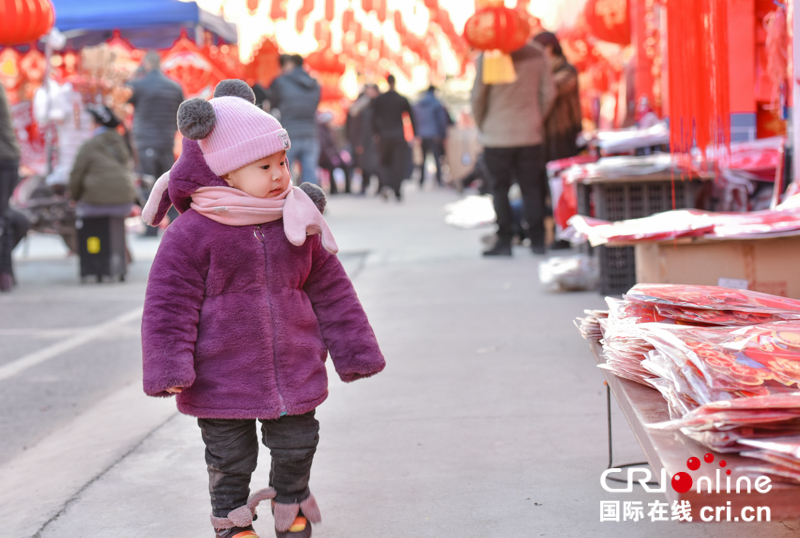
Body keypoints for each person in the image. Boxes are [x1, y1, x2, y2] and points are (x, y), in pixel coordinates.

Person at [139, 80, 385, 538]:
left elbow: (332, 291)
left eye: (282, 163)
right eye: (263, 166)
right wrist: (168, 365)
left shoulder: (296, 220)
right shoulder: (191, 234)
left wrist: (356, 350)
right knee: (230, 457)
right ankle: (232, 518)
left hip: (293, 366)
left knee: (297, 445)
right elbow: (167, 306)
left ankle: (290, 501)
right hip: (220, 375)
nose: (279, 175)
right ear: (225, 173)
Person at [471, 40, 555, 256]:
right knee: (531, 189)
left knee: (499, 189)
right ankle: (537, 241)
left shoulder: (488, 53)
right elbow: (549, 93)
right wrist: (536, 119)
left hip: (496, 135)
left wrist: (484, 125)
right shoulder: (537, 52)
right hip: (529, 134)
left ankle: (505, 240)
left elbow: (478, 97)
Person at [128, 51, 184, 236]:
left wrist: (136, 74)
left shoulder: (139, 85)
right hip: (167, 140)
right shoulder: (174, 86)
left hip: (145, 141)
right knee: (169, 183)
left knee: (147, 185)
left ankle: (150, 227)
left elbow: (123, 94)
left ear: (146, 64)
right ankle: (178, 223)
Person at [69, 105, 137, 218]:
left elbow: (76, 175)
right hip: (125, 204)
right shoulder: (122, 142)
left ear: (97, 124)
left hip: (96, 204)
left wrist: (74, 198)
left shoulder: (90, 145)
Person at [267, 54, 322, 186]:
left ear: (290, 64)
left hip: (288, 132)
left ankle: (288, 204)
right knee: (310, 174)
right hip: (310, 133)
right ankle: (312, 203)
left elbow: (272, 104)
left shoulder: (280, 81)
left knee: (285, 174)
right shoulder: (315, 84)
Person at [533, 31, 582, 164]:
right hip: (545, 136)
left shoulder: (567, 70)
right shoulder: (545, 72)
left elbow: (553, 89)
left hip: (563, 135)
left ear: (548, 49)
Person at [0, 84, 30, 292]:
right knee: (6, 217)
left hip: (3, 160)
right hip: (7, 159)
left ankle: (4, 274)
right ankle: (6, 273)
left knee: (2, 219)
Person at [371, 74, 416, 201]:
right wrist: (415, 134)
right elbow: (411, 118)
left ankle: (386, 185)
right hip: (398, 135)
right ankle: (397, 189)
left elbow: (373, 118)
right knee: (398, 162)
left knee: (385, 162)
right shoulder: (401, 99)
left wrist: (376, 133)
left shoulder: (380, 99)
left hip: (384, 135)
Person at [413, 85, 452, 187]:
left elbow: (414, 119)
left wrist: (416, 133)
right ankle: (439, 180)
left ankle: (421, 180)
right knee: (437, 158)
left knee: (423, 158)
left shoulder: (419, 103)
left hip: (422, 134)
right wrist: (442, 134)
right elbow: (442, 121)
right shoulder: (436, 103)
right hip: (434, 134)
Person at [345, 84, 380, 194]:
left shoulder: (376, 105)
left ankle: (377, 185)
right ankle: (364, 185)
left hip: (371, 139)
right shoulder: (360, 105)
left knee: (372, 163)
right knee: (362, 163)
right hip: (361, 139)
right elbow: (353, 124)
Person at [316, 111, 352, 194]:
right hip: (324, 158)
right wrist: (333, 157)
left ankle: (347, 189)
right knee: (331, 167)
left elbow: (335, 146)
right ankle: (334, 189)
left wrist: (339, 156)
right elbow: (325, 147)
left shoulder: (329, 130)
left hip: (332, 156)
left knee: (346, 165)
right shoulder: (321, 131)